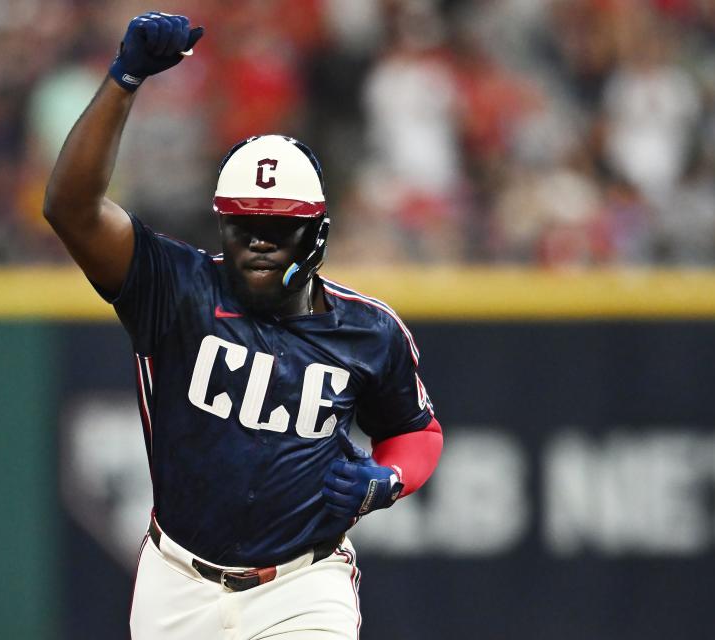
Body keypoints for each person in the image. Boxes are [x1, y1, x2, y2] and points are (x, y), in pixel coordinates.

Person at [44, 12, 444, 639]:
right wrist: (124, 79)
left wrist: (386, 480)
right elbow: (69, 208)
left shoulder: (369, 331)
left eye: (278, 225)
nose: (259, 241)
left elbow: (416, 431)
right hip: (177, 581)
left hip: (302, 584)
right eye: (242, 223)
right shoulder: (175, 288)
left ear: (316, 233)